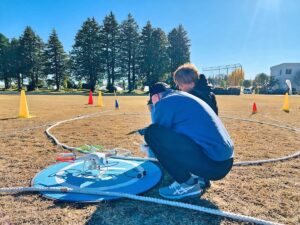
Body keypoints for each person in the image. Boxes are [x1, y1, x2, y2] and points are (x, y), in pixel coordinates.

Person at [141, 82, 234, 200]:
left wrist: (152, 110)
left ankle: (187, 185)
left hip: (213, 165)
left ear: (156, 96)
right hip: (225, 161)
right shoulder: (183, 96)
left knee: (152, 133)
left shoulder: (164, 102)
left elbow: (157, 133)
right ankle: (199, 175)